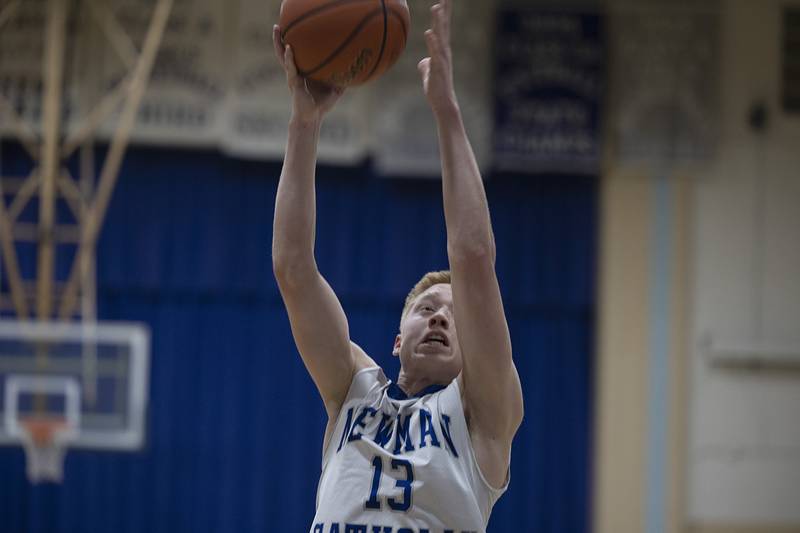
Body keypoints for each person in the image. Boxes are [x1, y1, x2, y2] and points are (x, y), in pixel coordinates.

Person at [271, 2, 523, 532]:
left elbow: (474, 257)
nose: (438, 319)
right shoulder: (352, 390)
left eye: (453, 316)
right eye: (427, 308)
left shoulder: (484, 414)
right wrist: (304, 123)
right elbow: (293, 269)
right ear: (395, 338)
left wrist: (447, 112)